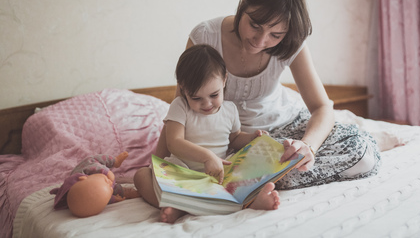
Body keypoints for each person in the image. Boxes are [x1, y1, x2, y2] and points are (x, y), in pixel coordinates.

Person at [134, 44, 280, 223]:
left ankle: (251, 201)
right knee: (141, 175)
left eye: (214, 95)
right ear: (182, 89)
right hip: (183, 175)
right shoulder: (180, 107)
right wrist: (206, 156)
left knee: (247, 175)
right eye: (196, 98)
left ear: (224, 80)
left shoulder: (230, 110)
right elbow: (174, 141)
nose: (207, 104)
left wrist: (252, 138)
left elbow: (234, 138)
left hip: (218, 177)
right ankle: (176, 205)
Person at [50, 152, 140, 217]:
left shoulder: (88, 169)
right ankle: (128, 192)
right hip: (99, 189)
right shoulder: (98, 195)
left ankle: (115, 161)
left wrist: (106, 172)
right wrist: (113, 198)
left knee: (98, 159)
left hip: (94, 167)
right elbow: (101, 201)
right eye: (109, 188)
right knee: (116, 191)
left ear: (84, 178)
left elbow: (96, 167)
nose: (110, 182)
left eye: (106, 181)